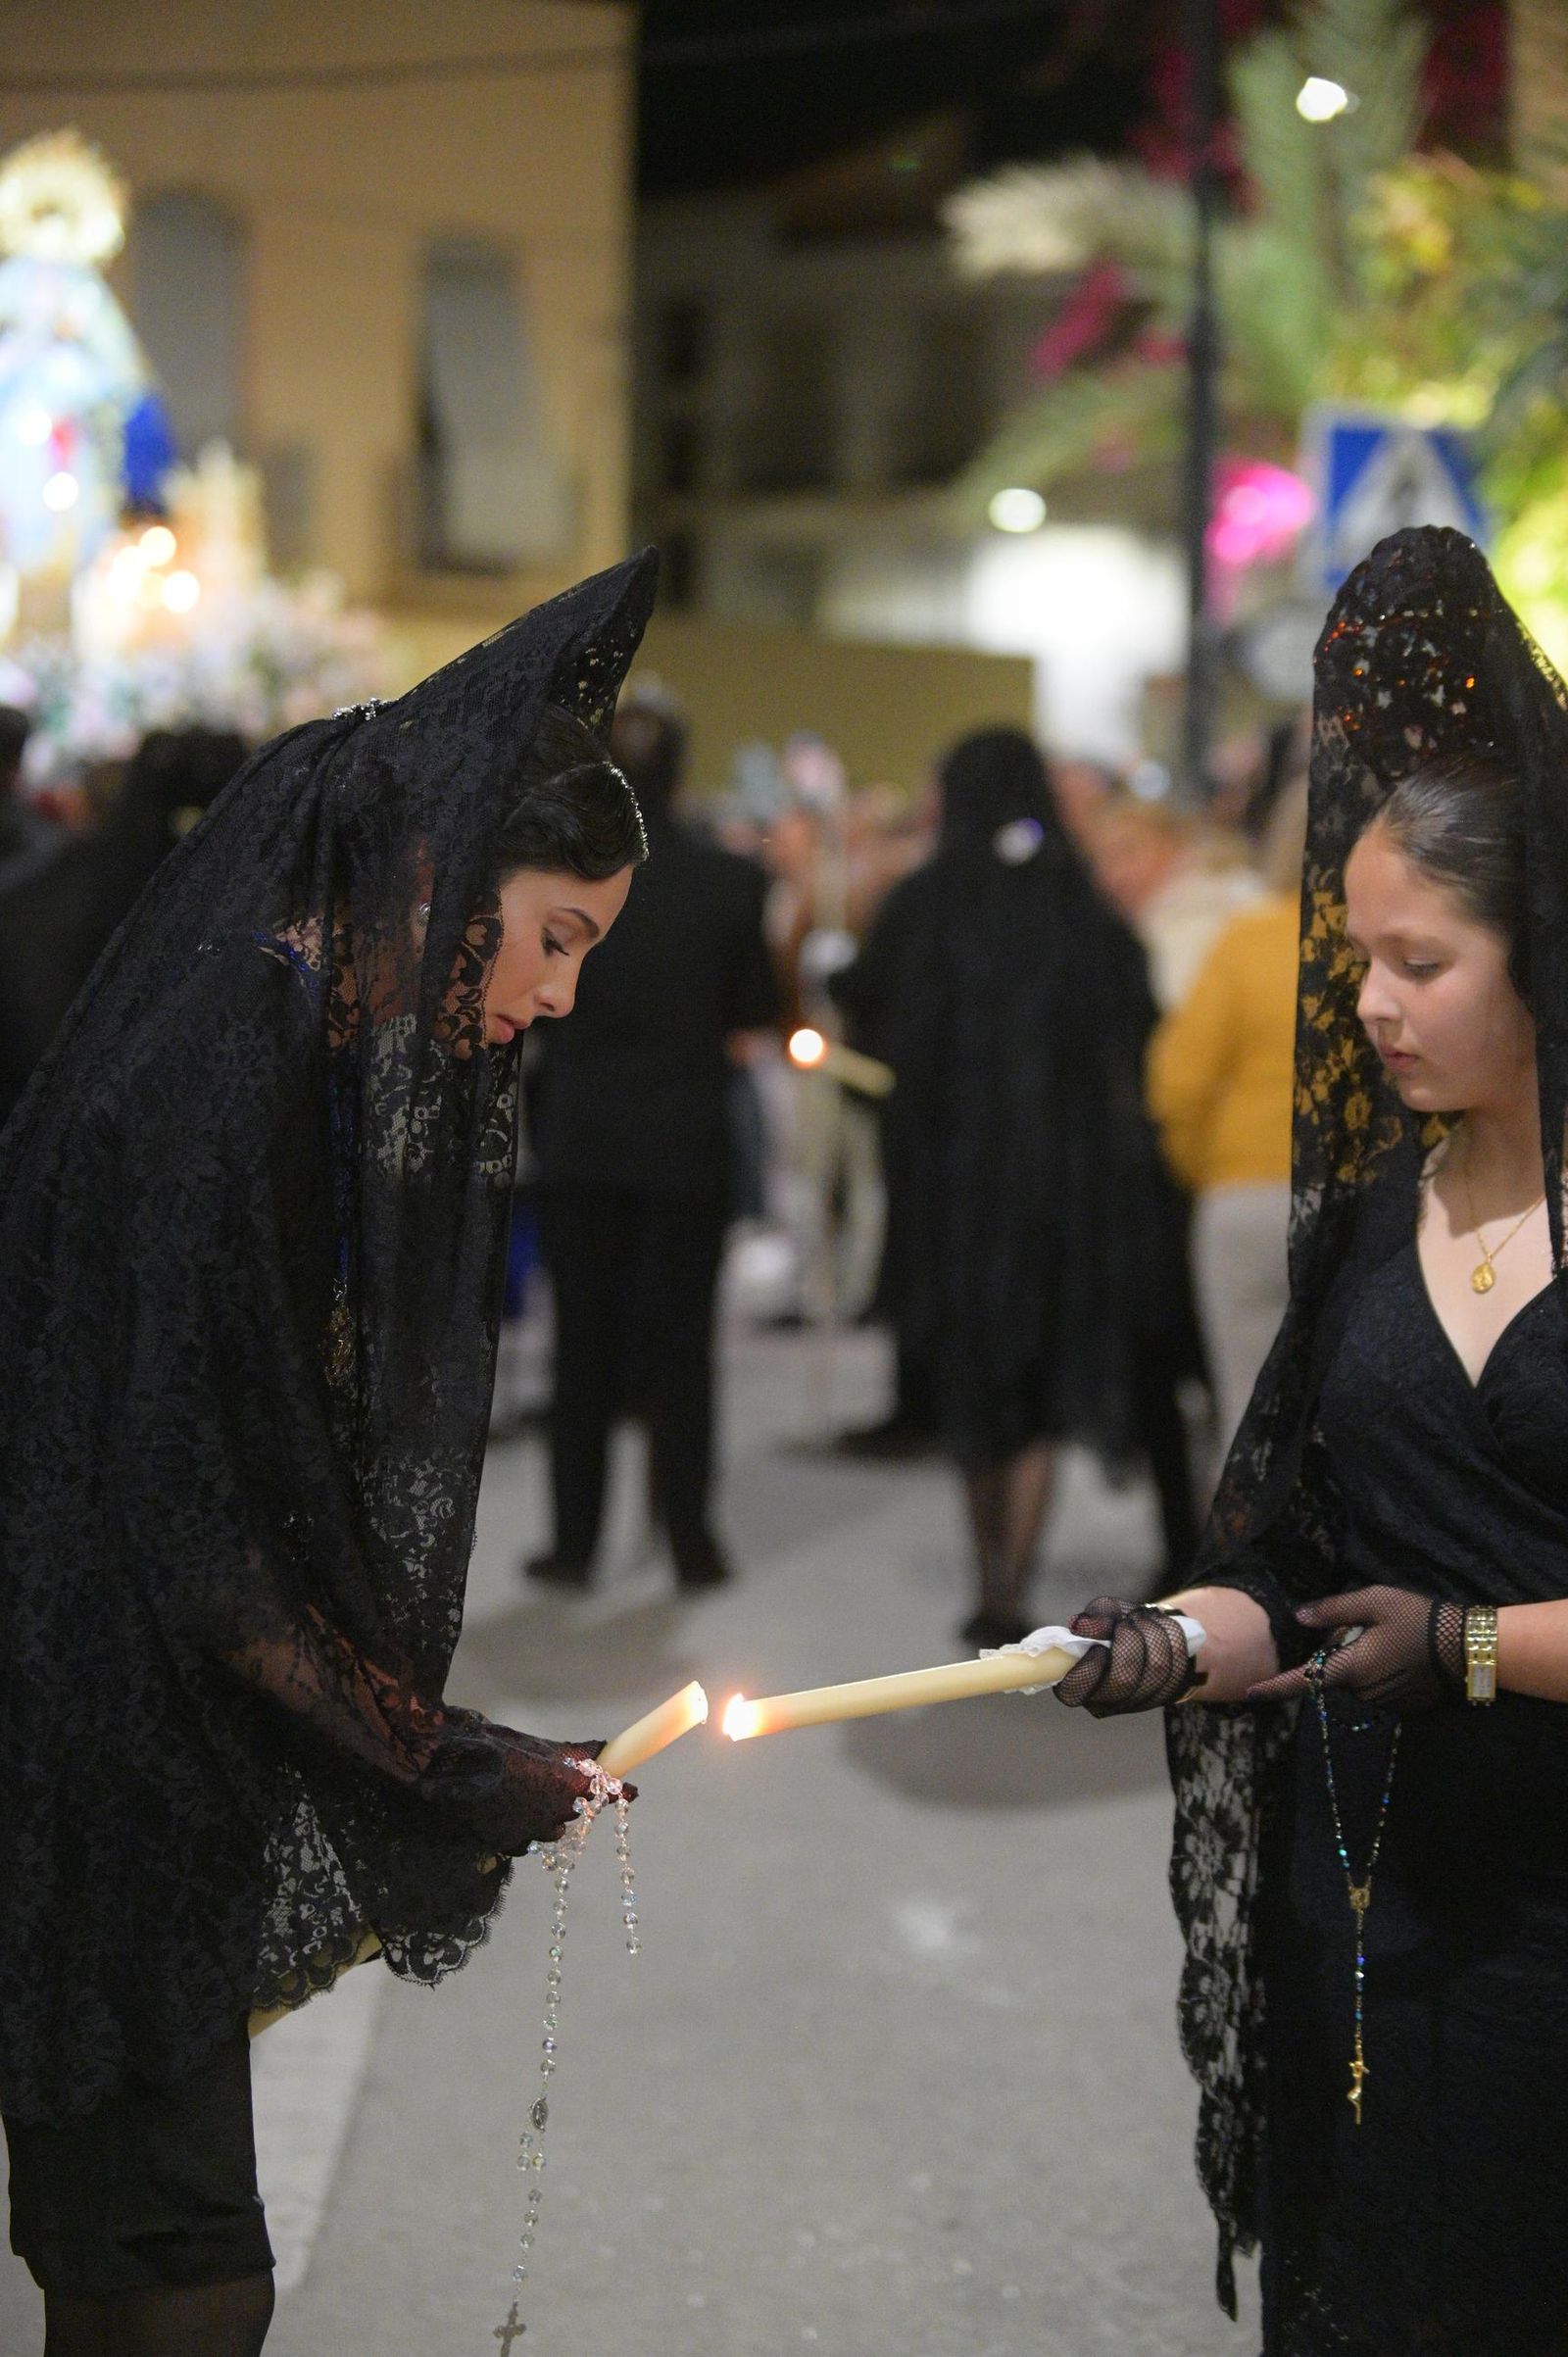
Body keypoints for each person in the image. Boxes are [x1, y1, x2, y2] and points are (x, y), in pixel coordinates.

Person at [0, 551, 658, 2356]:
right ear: (440, 869)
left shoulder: (257, 1023)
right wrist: (436, 1758)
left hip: (106, 1731)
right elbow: (189, 1517)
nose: (561, 1000)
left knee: (135, 2249)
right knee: (184, 2267)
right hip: (98, 1745)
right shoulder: (242, 1068)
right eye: (558, 939)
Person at [1054, 526, 1568, 2353]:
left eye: (1421, 961)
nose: (1366, 1004)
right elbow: (1296, 1547)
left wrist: (1480, 1648)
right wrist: (1182, 1640)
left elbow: (1444, 1620)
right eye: (1356, 956)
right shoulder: (1369, 1218)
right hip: (1377, 1911)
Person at [838, 725, 1199, 1645]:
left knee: (971, 1382)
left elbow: (866, 1019)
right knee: (1039, 1384)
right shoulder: (1079, 908)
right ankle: (1014, 1580)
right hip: (1065, 1198)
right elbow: (1140, 1021)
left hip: (953, 1194)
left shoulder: (924, 904)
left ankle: (991, 1573)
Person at [525, 680, 779, 1592]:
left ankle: (573, 1540)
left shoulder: (563, 881)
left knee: (582, 1346)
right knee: (682, 1351)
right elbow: (754, 1013)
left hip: (584, 1136)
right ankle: (688, 1535)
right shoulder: (728, 881)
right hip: (684, 1140)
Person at [1148, 781, 1306, 1477]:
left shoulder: (1248, 942)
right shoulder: (1397, 947)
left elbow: (1177, 1082)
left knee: (1247, 1411)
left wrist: (1204, 1170)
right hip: (1366, 1200)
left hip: (1241, 1194)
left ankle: (1249, 1581)